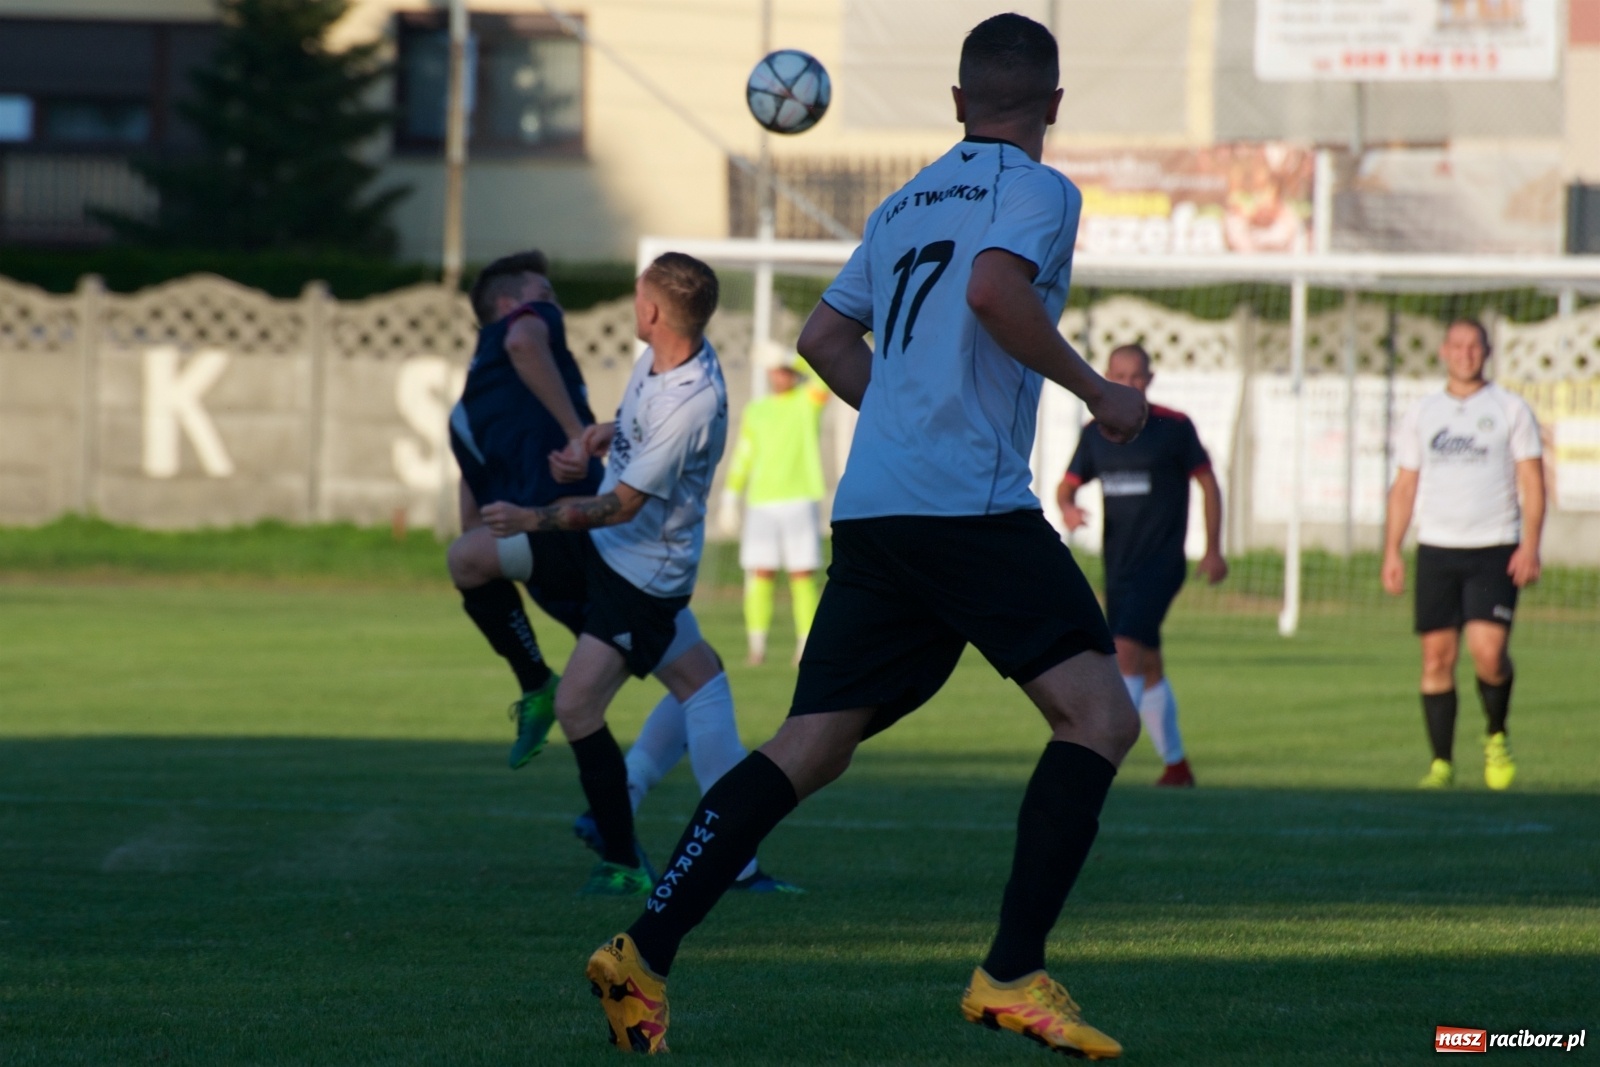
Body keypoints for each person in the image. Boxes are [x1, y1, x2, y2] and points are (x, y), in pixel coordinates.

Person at [584, 14, 1147, 1057]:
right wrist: (1096, 390)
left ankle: (644, 947)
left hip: (878, 507)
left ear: (956, 103)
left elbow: (821, 336)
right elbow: (990, 289)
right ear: (1053, 106)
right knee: (1099, 717)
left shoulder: (903, 201)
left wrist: (899, 414)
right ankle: (1011, 970)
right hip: (968, 509)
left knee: (810, 742)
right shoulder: (1039, 189)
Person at [463, 251, 788, 897]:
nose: (632, 302)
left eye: (638, 294)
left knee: (580, 704)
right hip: (607, 548)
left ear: (653, 311)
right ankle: (729, 858)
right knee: (468, 559)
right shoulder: (662, 359)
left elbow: (622, 503)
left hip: (641, 578)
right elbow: (638, 435)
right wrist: (597, 437)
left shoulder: (691, 401)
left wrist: (531, 514)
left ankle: (626, 854)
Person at [1382, 318, 1544, 791]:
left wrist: (1531, 544)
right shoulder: (1423, 413)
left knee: (1488, 654)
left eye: (1474, 345)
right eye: (1457, 345)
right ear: (1443, 352)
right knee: (1436, 658)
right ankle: (1441, 764)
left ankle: (1496, 734)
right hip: (1436, 548)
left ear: (1487, 351)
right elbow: (1405, 484)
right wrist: (1392, 550)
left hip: (1495, 547)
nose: (1465, 353)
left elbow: (1532, 482)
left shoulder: (1510, 408)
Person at [1056, 343, 1227, 787]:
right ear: (1106, 376)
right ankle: (1177, 766)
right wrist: (1069, 507)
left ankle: (1098, 761)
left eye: (1136, 376)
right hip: (1119, 567)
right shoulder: (1097, 432)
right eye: (1119, 375)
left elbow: (1208, 483)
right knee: (1148, 664)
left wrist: (1213, 549)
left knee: (1125, 654)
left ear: (1149, 380)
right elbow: (1067, 485)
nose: (1128, 384)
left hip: (1162, 564)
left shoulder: (1173, 427)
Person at [718, 356, 829, 665]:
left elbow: (824, 376)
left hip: (800, 498)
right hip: (761, 504)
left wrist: (791, 356)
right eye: (776, 370)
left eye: (786, 371)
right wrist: (730, 495)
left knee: (802, 574)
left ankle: (805, 645)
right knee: (760, 574)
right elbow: (744, 455)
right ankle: (757, 647)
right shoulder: (757, 410)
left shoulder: (807, 402)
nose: (781, 376)